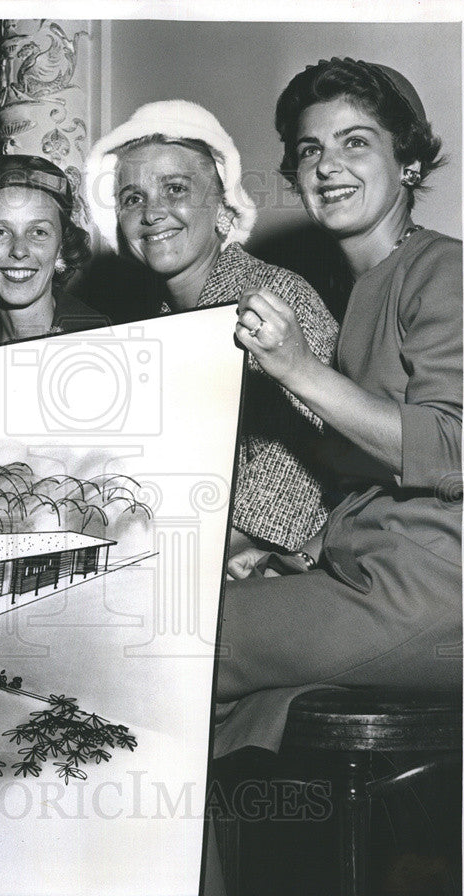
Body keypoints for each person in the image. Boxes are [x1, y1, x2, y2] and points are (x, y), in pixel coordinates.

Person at [203, 58, 462, 896]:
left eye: (356, 142)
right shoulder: (360, 291)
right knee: (239, 694)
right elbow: (371, 476)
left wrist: (295, 371)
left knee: (163, 650)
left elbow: (453, 449)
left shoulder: (447, 273)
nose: (326, 164)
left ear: (410, 162)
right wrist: (298, 548)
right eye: (308, 148)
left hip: (432, 593)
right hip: (378, 575)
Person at [84, 101, 340, 558]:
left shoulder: (278, 294)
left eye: (175, 188)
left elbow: (305, 463)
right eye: (132, 198)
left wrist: (185, 550)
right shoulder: (148, 332)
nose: (152, 213)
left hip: (278, 565)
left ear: (223, 204)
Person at [0, 154, 109, 351]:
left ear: (61, 248)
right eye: (0, 232)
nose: (19, 250)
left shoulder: (105, 343)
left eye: (38, 232)